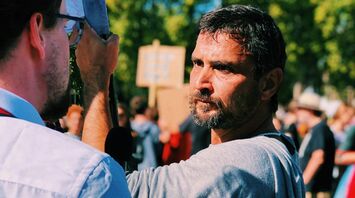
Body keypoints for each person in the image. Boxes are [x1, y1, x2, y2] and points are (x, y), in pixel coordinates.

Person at [83, 5, 305, 197]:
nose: (201, 82)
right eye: (197, 63)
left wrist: (95, 76)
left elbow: (102, 188)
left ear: (268, 84)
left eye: (222, 68)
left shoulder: (242, 161)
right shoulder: (277, 150)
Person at [0, 0, 130, 196]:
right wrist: (96, 78)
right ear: (37, 32)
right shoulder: (88, 179)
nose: (70, 43)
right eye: (66, 26)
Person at [296, 92, 335, 198]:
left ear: (310, 110)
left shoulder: (320, 129)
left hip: (316, 192)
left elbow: (318, 158)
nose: (297, 112)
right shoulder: (315, 129)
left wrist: (301, 184)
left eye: (300, 108)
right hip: (312, 190)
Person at [129, 96, 160, 170]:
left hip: (134, 169)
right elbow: (158, 150)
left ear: (133, 110)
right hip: (151, 168)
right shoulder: (153, 128)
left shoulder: (129, 127)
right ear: (146, 109)